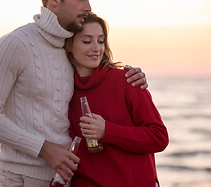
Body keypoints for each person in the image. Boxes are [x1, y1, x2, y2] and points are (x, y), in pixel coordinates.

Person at [0, 0, 148, 187]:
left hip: (65, 178)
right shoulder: (15, 44)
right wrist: (44, 149)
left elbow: (97, 73)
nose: (88, 7)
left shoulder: (69, 48)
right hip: (21, 178)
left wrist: (133, 76)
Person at [65, 12, 169, 187]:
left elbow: (159, 137)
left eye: (101, 40)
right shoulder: (63, 90)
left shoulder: (127, 80)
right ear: (69, 45)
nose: (96, 48)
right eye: (86, 41)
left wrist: (107, 131)